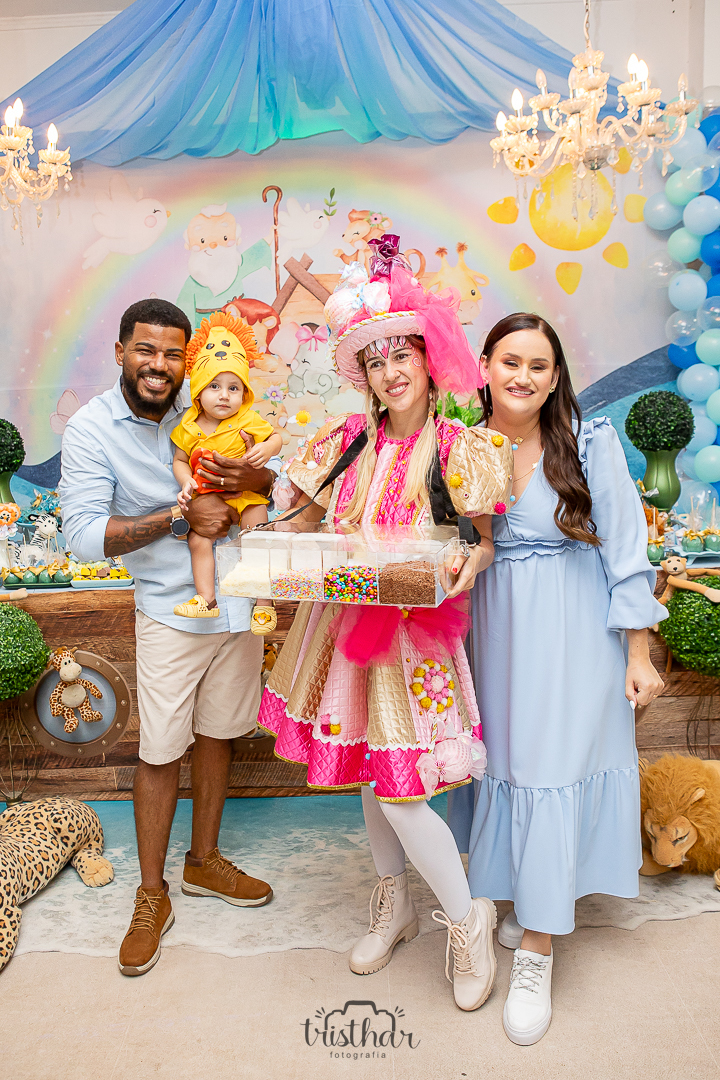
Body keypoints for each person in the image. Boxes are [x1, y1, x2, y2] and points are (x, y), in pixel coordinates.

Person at [259, 238, 513, 1011]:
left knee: (404, 788)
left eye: (402, 354)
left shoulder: (463, 448)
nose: (391, 371)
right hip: (345, 632)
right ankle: (395, 903)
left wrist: (471, 558)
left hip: (414, 640)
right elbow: (299, 523)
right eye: (376, 361)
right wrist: (272, 532)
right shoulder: (347, 445)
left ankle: (467, 920)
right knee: (374, 775)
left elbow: (483, 542)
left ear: (428, 360)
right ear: (363, 375)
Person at [448, 313, 666, 1044]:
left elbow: (626, 551)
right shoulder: (463, 445)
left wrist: (637, 654)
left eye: (538, 366)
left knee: (547, 773)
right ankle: (519, 898)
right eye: (510, 361)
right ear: (485, 366)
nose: (523, 376)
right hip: (490, 632)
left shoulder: (588, 442)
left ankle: (537, 950)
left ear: (554, 377)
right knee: (503, 766)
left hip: (572, 635)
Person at [59, 298, 280, 978]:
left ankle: (203, 861)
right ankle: (151, 894)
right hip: (168, 611)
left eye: (171, 354)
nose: (158, 364)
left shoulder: (215, 402)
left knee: (220, 733)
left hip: (238, 604)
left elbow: (275, 481)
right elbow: (81, 535)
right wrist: (179, 517)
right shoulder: (93, 428)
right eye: (144, 350)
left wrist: (258, 480)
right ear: (121, 351)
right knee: (160, 751)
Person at [171, 311, 283, 630]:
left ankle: (264, 604)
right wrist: (186, 482)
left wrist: (267, 449)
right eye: (214, 386)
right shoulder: (189, 426)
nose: (224, 395)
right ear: (198, 391)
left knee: (257, 539)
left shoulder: (246, 419)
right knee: (197, 540)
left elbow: (276, 437)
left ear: (244, 393)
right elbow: (180, 460)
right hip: (208, 498)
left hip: (246, 495)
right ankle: (206, 599)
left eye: (234, 388)